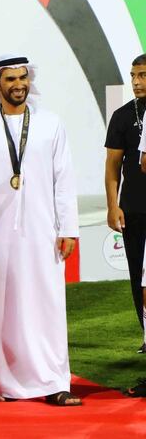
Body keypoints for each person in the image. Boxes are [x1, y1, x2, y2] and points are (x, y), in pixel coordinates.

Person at [0, 54, 80, 406]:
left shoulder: (50, 124)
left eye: (23, 78)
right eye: (10, 79)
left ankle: (53, 382)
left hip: (41, 231)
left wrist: (68, 227)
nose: (18, 85)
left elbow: (63, 180)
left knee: (45, 304)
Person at [106, 53, 146, 349]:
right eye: (133, 76)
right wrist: (112, 205)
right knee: (138, 276)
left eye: (142, 75)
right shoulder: (122, 116)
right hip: (134, 207)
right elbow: (112, 166)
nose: (135, 82)